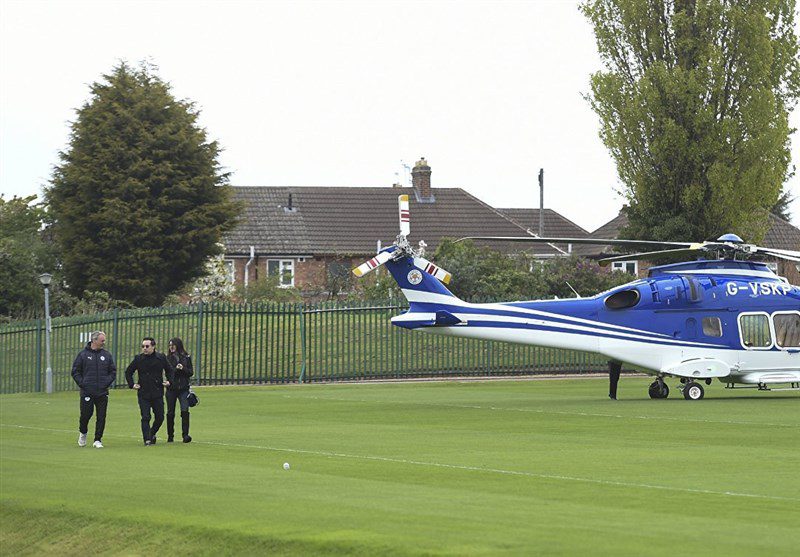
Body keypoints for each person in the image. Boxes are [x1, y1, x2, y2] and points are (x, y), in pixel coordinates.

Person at [71, 330, 117, 448]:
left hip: (102, 392)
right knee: (86, 415)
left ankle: (98, 439)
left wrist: (106, 383)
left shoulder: (106, 355)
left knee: (101, 416)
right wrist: (83, 384)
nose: (104, 342)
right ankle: (83, 433)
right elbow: (75, 371)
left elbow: (112, 371)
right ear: (94, 340)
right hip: (87, 391)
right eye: (102, 340)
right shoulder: (83, 355)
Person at [125, 337, 172, 446]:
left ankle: (151, 433)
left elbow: (169, 370)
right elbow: (128, 372)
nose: (144, 348)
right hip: (143, 393)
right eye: (143, 346)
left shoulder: (161, 358)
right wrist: (132, 384)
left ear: (153, 346)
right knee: (146, 416)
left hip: (157, 392)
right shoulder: (138, 359)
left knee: (160, 417)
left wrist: (169, 381)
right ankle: (147, 439)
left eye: (147, 346)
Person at [165, 337, 194, 443]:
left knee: (185, 410)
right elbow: (168, 373)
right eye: (170, 345)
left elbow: (190, 372)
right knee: (170, 412)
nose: (171, 347)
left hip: (183, 388)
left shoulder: (186, 357)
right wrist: (176, 369)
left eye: (173, 345)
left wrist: (183, 368)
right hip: (171, 389)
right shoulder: (167, 358)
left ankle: (185, 434)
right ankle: (170, 435)